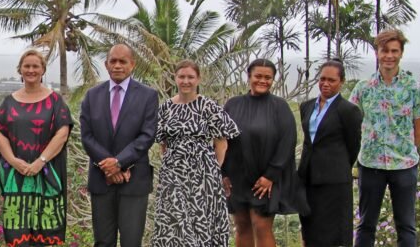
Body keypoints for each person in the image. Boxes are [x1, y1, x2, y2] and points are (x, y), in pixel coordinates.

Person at [350, 29, 420, 247]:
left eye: (394, 51)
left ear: (401, 53)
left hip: (404, 166)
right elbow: (352, 123)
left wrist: (402, 150)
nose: (389, 55)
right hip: (370, 165)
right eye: (384, 50)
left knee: (406, 225)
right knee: (366, 224)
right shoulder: (363, 88)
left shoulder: (414, 88)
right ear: (377, 53)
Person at [152, 59, 240, 247]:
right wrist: (172, 164)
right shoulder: (166, 108)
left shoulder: (208, 106)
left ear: (198, 79)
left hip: (204, 174)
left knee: (202, 223)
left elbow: (221, 143)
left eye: (190, 77)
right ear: (175, 78)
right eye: (182, 76)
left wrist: (213, 170)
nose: (186, 81)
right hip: (173, 174)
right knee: (173, 221)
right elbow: (163, 143)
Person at [79, 44, 159, 247]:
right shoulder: (92, 96)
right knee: (103, 242)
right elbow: (87, 136)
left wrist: (120, 162)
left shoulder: (148, 96)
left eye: (122, 61)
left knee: (131, 242)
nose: (117, 65)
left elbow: (147, 135)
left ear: (132, 65)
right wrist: (109, 167)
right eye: (113, 61)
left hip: (134, 181)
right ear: (106, 65)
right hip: (101, 180)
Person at [0, 49, 73, 247]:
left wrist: (40, 162)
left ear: (43, 70)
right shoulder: (9, 102)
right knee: (16, 235)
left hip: (47, 175)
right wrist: (12, 160)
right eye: (26, 66)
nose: (31, 70)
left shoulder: (55, 101)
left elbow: (62, 133)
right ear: (20, 70)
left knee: (47, 234)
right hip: (17, 176)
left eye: (35, 66)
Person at [222, 58, 299, 247]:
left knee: (261, 225)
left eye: (268, 77)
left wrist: (271, 176)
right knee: (242, 226)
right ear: (249, 77)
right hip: (237, 178)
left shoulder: (280, 106)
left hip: (265, 180)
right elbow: (220, 140)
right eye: (258, 76)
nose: (262, 81)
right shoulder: (233, 104)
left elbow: (287, 142)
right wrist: (222, 174)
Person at [298, 59, 362, 247]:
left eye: (331, 80)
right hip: (308, 176)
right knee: (310, 229)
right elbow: (309, 142)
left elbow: (353, 146)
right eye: (322, 79)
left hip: (334, 179)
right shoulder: (307, 106)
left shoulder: (348, 110)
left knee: (333, 232)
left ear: (341, 82)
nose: (325, 84)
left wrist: (338, 165)